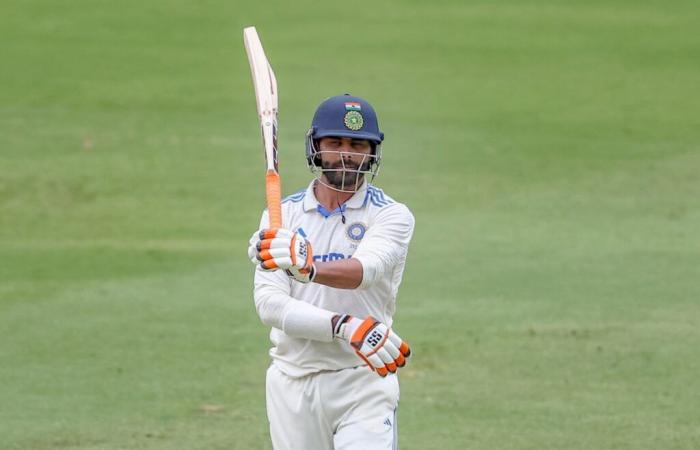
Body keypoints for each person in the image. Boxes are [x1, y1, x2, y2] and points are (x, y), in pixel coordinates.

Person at [247, 94, 415, 450]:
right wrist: (344, 326)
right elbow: (270, 306)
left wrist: (307, 267)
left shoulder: (391, 215)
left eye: (357, 144)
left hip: (363, 379)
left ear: (372, 152)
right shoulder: (281, 216)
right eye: (335, 142)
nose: (346, 153)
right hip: (291, 381)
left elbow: (365, 270)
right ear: (315, 146)